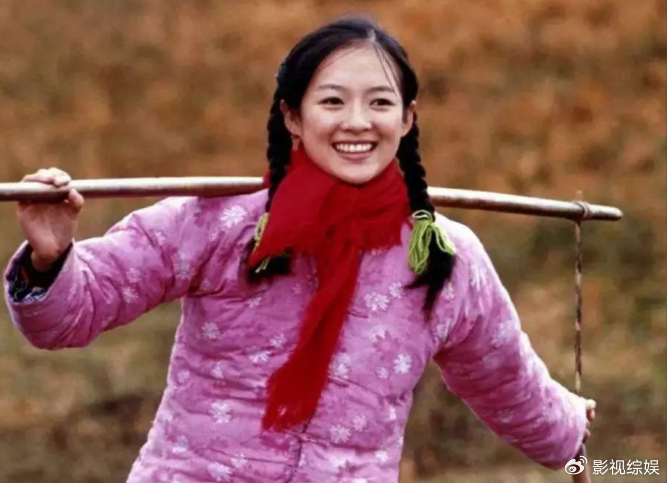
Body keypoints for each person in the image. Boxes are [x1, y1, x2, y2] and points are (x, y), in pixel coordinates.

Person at [3, 16, 595, 483]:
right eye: (332, 102)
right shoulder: (220, 221)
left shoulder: (443, 255)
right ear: (292, 115)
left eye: (380, 103)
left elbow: (505, 380)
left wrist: (571, 431)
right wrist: (51, 258)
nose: (357, 122)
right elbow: (73, 314)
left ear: (408, 119)